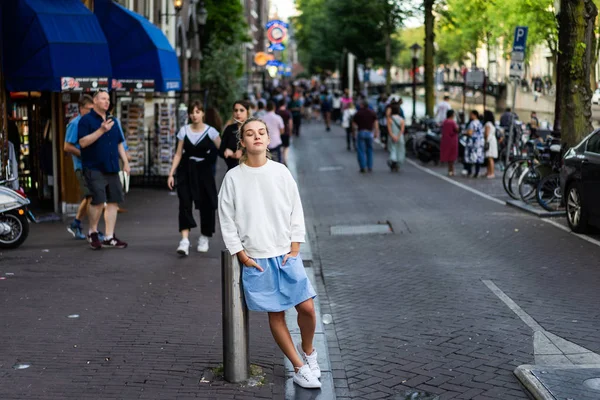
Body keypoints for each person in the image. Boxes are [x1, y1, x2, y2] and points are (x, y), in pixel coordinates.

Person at [218, 117, 321, 390]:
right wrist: (241, 254)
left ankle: (309, 351)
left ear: (267, 137)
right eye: (250, 134)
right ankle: (299, 367)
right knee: (276, 315)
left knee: (307, 308)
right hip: (256, 257)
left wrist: (296, 246)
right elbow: (226, 219)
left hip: (286, 253)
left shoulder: (281, 172)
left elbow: (295, 209)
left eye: (261, 132)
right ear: (242, 142)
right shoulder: (233, 178)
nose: (257, 137)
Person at [167, 101, 221, 256]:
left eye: (198, 111)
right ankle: (184, 240)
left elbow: (223, 150)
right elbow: (178, 153)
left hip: (204, 172)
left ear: (203, 113)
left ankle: (205, 236)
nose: (195, 115)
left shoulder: (211, 132)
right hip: (186, 170)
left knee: (207, 204)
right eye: (192, 112)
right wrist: (171, 173)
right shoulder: (184, 131)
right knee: (184, 202)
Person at [78, 90, 130, 250]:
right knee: (98, 200)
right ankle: (93, 232)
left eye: (108, 99)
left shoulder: (113, 120)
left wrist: (126, 163)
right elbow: (82, 142)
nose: (107, 102)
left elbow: (119, 143)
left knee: (114, 201)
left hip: (112, 166)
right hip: (94, 167)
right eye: (103, 99)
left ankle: (109, 236)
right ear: (94, 101)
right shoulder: (85, 121)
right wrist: (101, 130)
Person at [64, 95, 94, 240]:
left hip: (92, 165)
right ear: (81, 109)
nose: (92, 112)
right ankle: (92, 230)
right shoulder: (75, 124)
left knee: (90, 197)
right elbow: (67, 146)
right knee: (92, 197)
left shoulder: (90, 123)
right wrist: (84, 154)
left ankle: (76, 223)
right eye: (89, 110)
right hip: (81, 166)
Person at [220, 100, 250, 171]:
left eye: (241, 110)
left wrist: (243, 153)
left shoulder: (252, 128)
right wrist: (230, 154)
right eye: (236, 110)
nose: (238, 113)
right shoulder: (230, 129)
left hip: (249, 169)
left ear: (247, 112)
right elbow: (221, 150)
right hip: (232, 169)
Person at [352, 100, 379, 173]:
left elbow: (354, 124)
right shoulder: (372, 113)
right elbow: (376, 123)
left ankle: (362, 166)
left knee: (361, 150)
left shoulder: (358, 113)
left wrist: (354, 133)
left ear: (362, 105)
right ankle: (369, 166)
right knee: (369, 149)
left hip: (361, 132)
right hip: (369, 133)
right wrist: (376, 132)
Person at [462, 110, 485, 178]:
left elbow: (470, 133)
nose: (470, 116)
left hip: (472, 143)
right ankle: (477, 172)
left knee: (470, 157)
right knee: (477, 158)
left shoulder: (472, 123)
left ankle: (470, 172)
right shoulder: (480, 123)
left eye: (471, 114)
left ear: (475, 115)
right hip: (479, 142)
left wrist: (464, 132)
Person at [440, 109, 460, 176]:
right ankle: (452, 170)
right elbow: (457, 129)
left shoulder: (445, 122)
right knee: (452, 156)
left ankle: (450, 170)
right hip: (452, 140)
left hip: (445, 140)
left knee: (448, 155)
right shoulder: (452, 122)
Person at [386, 102, 405, 172]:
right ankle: (398, 163)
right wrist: (398, 136)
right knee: (400, 150)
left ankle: (393, 161)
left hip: (392, 136)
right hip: (400, 137)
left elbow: (389, 129)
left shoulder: (389, 119)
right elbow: (402, 130)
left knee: (393, 149)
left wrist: (393, 136)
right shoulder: (402, 119)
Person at [276, 100, 293, 165]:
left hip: (279, 132)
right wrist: (290, 131)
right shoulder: (287, 112)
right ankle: (285, 159)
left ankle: (281, 159)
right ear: (284, 104)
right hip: (286, 132)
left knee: (280, 147)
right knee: (286, 147)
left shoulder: (277, 112)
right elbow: (290, 123)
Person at [483, 110, 498, 179]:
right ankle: (489, 172)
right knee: (490, 157)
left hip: (489, 141)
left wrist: (485, 141)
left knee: (490, 157)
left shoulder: (487, 124)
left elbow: (486, 134)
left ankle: (491, 172)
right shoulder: (492, 124)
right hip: (492, 140)